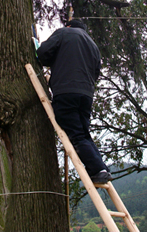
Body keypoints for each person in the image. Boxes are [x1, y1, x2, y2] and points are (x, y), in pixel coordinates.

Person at [37, 19, 113, 184]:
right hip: (86, 95)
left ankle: (97, 170)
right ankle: (101, 168)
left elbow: (43, 54)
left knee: (76, 134)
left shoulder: (64, 33)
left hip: (66, 92)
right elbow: (96, 72)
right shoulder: (93, 46)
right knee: (83, 133)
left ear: (69, 25)